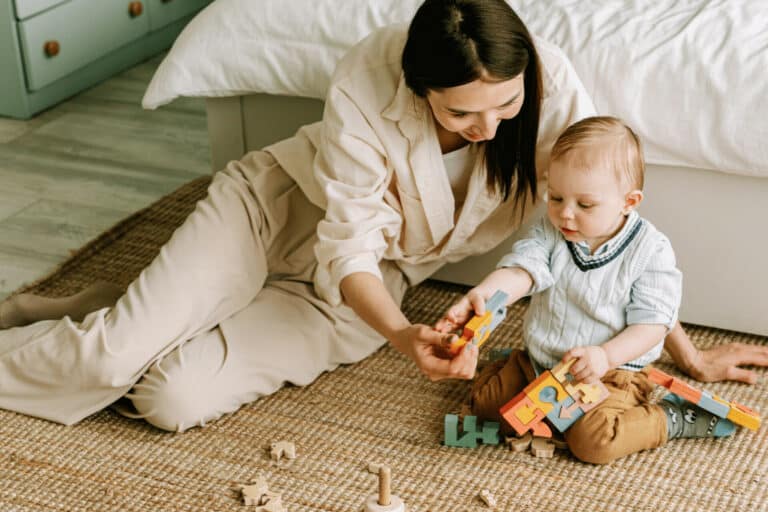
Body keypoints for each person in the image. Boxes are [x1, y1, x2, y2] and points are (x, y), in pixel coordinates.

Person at [0, 0, 764, 433]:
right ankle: (118, 323)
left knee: (169, 401)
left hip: (369, 283)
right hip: (275, 217)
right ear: (420, 86)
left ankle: (106, 308)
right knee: (107, 362)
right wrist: (401, 335)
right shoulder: (367, 76)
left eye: (506, 104)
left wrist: (686, 359)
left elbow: (613, 241)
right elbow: (349, 241)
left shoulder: (550, 89)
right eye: (465, 112)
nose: (492, 128)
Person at [437, 116, 742, 464]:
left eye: (584, 205)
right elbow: (522, 269)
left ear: (629, 202)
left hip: (614, 372)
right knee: (488, 408)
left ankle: (667, 420)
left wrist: (607, 356)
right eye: (555, 197)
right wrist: (485, 293)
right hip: (542, 362)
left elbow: (654, 324)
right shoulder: (551, 233)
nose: (565, 214)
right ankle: (509, 367)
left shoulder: (650, 251)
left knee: (594, 443)